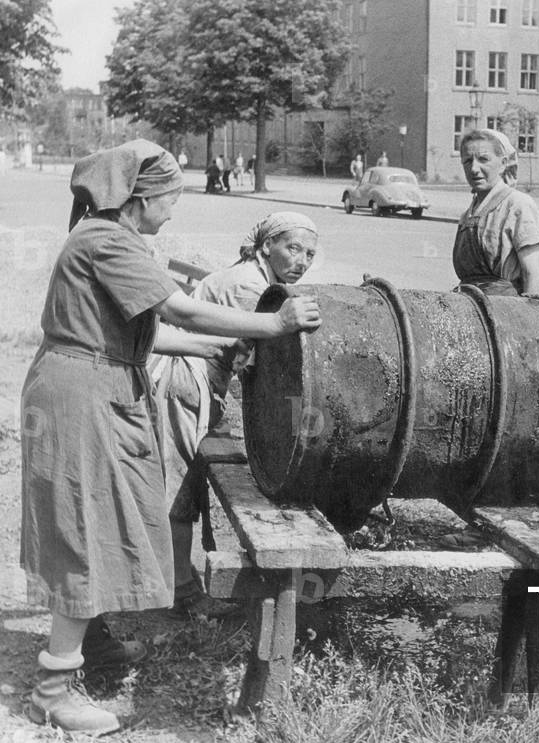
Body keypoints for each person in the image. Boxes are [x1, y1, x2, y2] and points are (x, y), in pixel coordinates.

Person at [19, 140, 321, 735]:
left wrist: (224, 346)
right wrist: (273, 323)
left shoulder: (114, 240)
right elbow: (181, 310)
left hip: (98, 381)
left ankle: (90, 645)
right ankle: (53, 690)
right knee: (83, 525)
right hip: (81, 394)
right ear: (142, 196)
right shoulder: (106, 240)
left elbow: (150, 334)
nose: (173, 212)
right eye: (171, 199)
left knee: (100, 519)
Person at [150, 212, 320, 619]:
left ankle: (173, 580)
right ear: (266, 246)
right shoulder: (250, 286)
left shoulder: (253, 277)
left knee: (182, 484)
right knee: (179, 490)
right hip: (186, 381)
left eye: (310, 253)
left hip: (196, 381)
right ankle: (180, 591)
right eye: (293, 248)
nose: (302, 260)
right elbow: (270, 357)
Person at [452, 128, 539, 296]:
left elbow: (531, 273)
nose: (474, 168)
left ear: (503, 164)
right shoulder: (467, 215)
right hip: (467, 301)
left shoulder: (517, 205)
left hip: (503, 307)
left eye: (483, 159)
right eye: (467, 161)